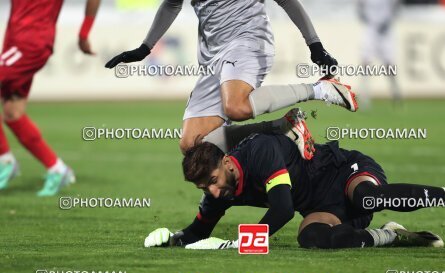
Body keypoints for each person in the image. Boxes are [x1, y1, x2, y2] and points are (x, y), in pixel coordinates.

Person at [144, 128, 445, 249]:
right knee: (315, 239)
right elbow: (199, 231)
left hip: (344, 171)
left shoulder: (259, 150)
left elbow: (283, 209)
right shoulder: (219, 188)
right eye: (203, 187)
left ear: (225, 163)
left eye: (211, 181)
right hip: (321, 204)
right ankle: (394, 237)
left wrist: (243, 244)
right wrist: (173, 239)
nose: (212, 192)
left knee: (368, 197)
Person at [105, 0, 358, 157]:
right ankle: (284, 128)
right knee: (193, 145)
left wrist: (315, 45)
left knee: (236, 107)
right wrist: (145, 47)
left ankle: (320, 89)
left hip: (248, 40)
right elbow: (172, 4)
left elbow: (286, 1)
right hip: (211, 56)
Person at [0, 0, 101, 196]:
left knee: (12, 109)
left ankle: (4, 160)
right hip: (14, 38)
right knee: (13, 111)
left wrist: (84, 33)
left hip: (31, 41)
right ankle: (56, 169)